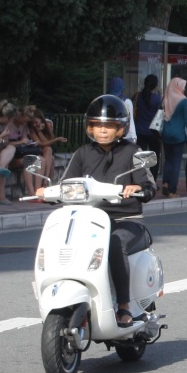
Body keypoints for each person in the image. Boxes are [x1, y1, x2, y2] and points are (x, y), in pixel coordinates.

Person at [39, 95, 156, 327]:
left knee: (114, 243)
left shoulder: (133, 152)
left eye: (109, 126)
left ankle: (123, 305)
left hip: (125, 221)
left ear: (121, 128)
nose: (103, 131)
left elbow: (149, 186)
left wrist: (138, 188)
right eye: (98, 125)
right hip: (88, 220)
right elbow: (67, 184)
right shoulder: (83, 153)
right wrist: (48, 192)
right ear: (89, 126)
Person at [158, 77, 187, 198]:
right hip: (178, 136)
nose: (184, 89)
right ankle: (173, 190)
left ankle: (166, 183)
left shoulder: (166, 98)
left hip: (166, 134)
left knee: (168, 160)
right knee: (176, 162)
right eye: (183, 86)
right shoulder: (183, 101)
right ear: (179, 87)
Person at [21, 105, 68, 194]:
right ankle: (45, 181)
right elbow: (42, 143)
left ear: (41, 119)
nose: (35, 125)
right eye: (33, 123)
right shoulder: (31, 128)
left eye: (36, 122)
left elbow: (47, 142)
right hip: (35, 150)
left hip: (44, 151)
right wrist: (57, 139)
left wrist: (40, 131)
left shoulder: (47, 124)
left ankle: (46, 183)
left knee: (50, 155)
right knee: (47, 151)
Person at [133, 74, 163, 180]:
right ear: (155, 85)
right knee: (154, 157)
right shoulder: (157, 98)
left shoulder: (138, 96)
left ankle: (141, 179)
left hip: (139, 130)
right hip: (152, 132)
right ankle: (152, 180)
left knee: (141, 157)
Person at [108, 76, 138, 144]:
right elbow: (130, 120)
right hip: (128, 135)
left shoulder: (108, 101)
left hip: (113, 135)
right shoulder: (127, 101)